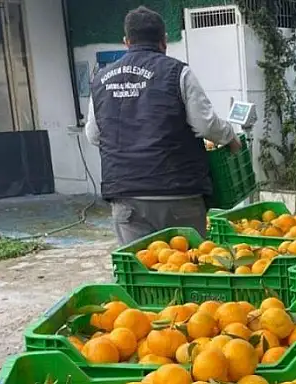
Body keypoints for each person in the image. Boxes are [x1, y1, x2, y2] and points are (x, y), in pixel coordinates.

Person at [85, 6, 240, 244]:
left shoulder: (100, 80)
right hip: (177, 193)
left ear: (126, 42)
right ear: (164, 40)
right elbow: (206, 125)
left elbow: (94, 135)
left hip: (127, 196)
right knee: (185, 270)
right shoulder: (178, 72)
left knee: (139, 272)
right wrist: (230, 137)